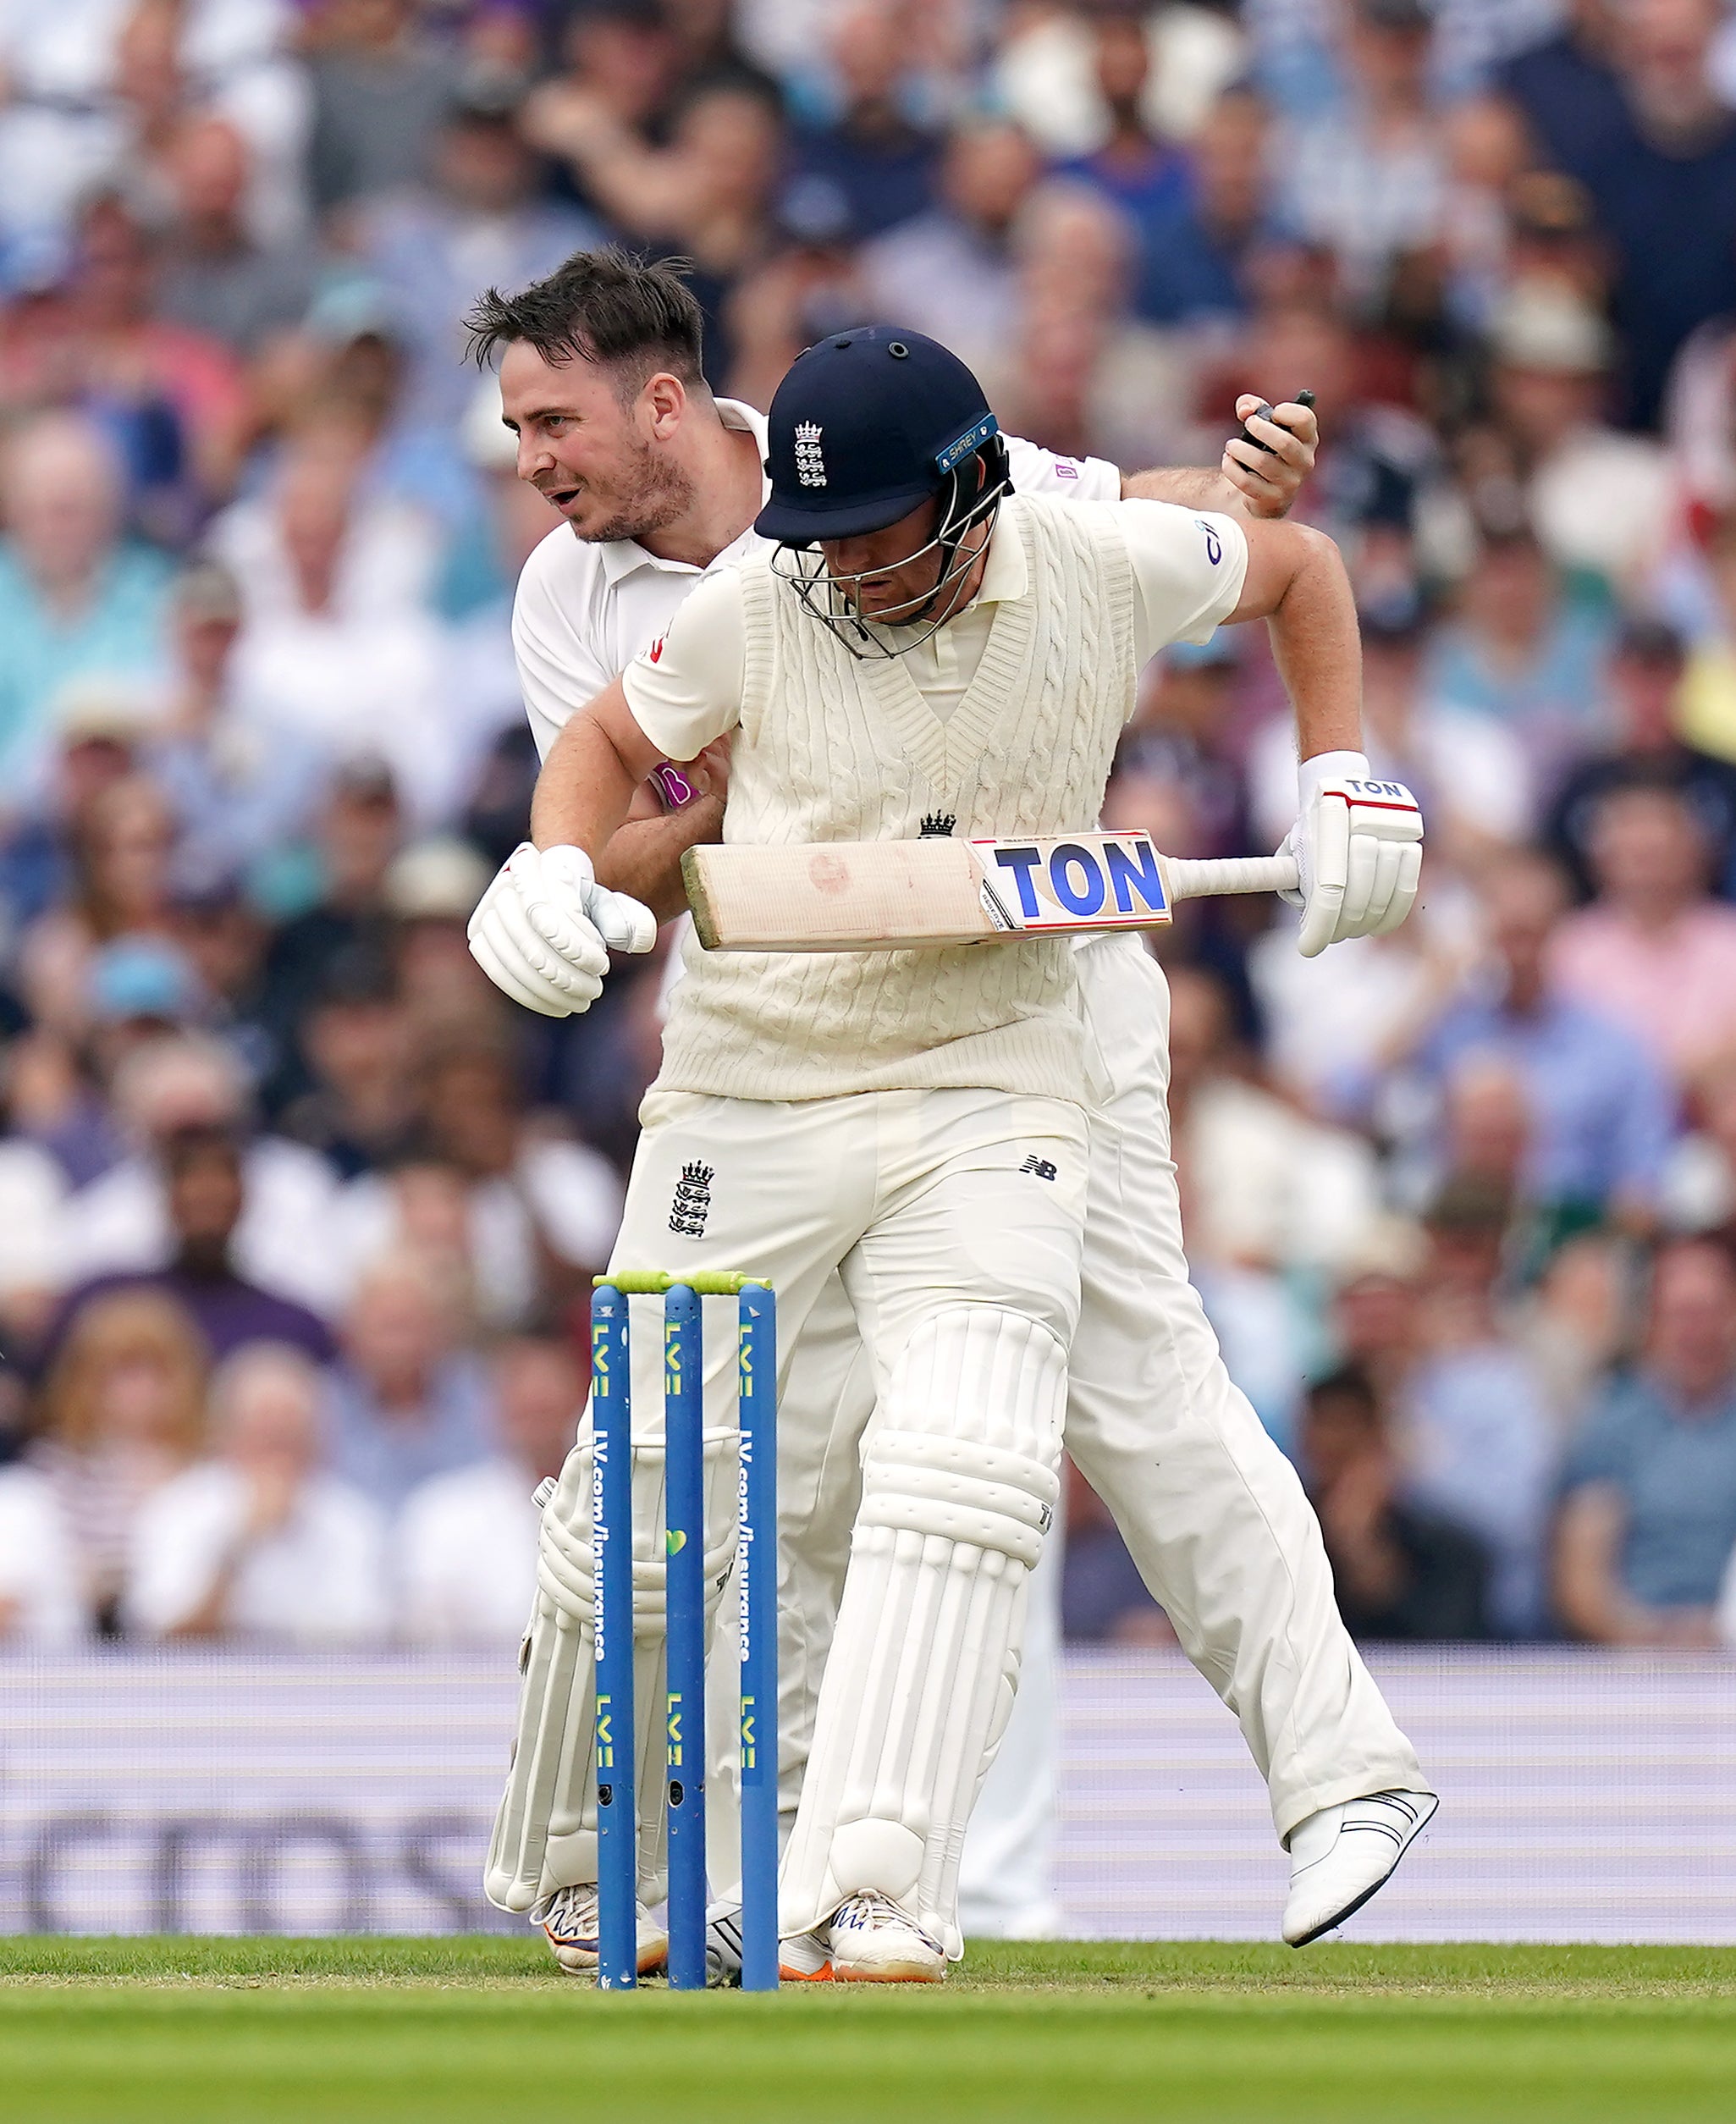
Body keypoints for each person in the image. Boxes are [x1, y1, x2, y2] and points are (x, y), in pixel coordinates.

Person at [464, 254, 1430, 1980]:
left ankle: (1334, 1778)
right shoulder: (617, 599)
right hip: (764, 1028)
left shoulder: (870, 449)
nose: (532, 453)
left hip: (1029, 1008)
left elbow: (1146, 529)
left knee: (1111, 1399)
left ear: (670, 403)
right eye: (516, 424)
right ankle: (733, 1870)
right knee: (751, 1468)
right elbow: (619, 814)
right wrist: (587, 867)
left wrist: (1324, 730)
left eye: (554, 419)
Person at [124, 1343, 389, 1645]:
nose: (278, 1435)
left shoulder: (354, 1520)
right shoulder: (178, 1511)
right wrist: (241, 1545)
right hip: (207, 1687)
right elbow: (164, 1640)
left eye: (290, 1423)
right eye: (264, 1422)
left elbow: (370, 1640)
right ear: (225, 1431)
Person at [1555, 1237, 1736, 1644]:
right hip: (1634, 1657)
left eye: (1710, 1313)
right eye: (1682, 1315)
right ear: (1651, 1322)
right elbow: (1582, 1578)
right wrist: (1654, 1640)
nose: (1697, 1331)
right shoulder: (1613, 1424)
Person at [396, 1330, 582, 1647]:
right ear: (495, 1409)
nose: (539, 1418)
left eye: (548, 1408)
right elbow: (424, 1641)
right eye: (527, 1408)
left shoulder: (622, 1512)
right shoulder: (441, 1514)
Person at [1299, 1368, 1490, 1642]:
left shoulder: (1452, 1553)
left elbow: (1442, 1651)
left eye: (1348, 1429)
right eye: (1322, 1427)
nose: (1332, 1440)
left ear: (1380, 1437)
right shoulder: (1283, 1539)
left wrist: (1362, 1550)